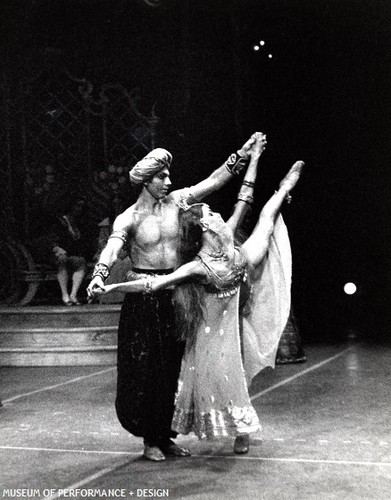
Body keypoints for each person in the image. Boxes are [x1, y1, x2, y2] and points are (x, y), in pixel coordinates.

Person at [97, 148, 304, 454]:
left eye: (169, 174)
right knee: (148, 371)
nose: (168, 180)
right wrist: (102, 273)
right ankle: (150, 439)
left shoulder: (179, 201)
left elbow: (217, 180)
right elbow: (113, 246)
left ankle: (165, 436)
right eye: (161, 176)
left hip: (181, 292)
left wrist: (245, 154)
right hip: (148, 297)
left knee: (173, 371)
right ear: (145, 180)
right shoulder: (130, 218)